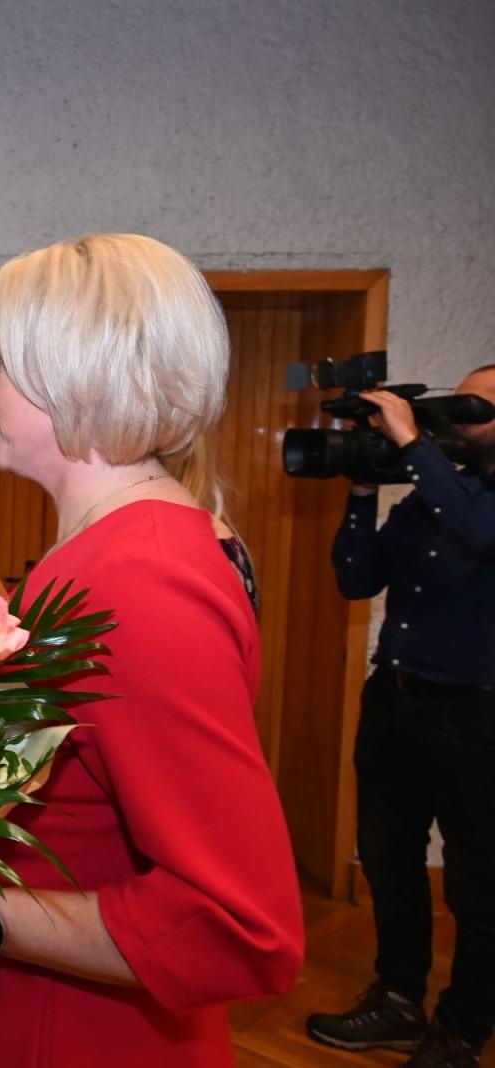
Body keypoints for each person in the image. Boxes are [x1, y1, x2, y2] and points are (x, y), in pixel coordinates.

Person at [0, 234, 304, 1067]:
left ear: (83, 370)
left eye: (0, 362)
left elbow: (235, 928)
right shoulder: (114, 549)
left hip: (80, 1034)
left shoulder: (141, 579)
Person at [306, 364, 495, 1068]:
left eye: (474, 408)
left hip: (477, 714)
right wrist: (361, 487)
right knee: (389, 861)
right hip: (395, 701)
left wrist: (412, 445)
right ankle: (398, 999)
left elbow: (479, 535)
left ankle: (463, 1030)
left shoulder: (468, 503)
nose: (459, 420)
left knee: (478, 884)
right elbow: (357, 578)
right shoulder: (429, 498)